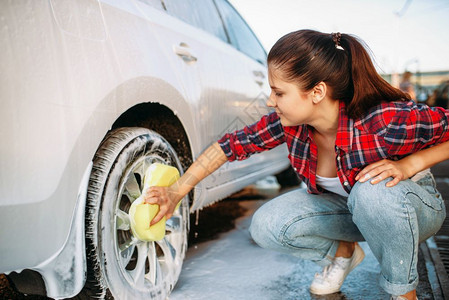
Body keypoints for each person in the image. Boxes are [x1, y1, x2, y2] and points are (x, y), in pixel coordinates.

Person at [144, 30, 449, 299]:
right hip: (352, 211)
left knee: (372, 192)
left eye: (279, 92)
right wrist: (176, 192)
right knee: (267, 225)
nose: (270, 101)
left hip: (411, 210)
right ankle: (342, 253)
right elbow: (229, 146)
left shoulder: (381, 119)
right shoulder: (291, 125)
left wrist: (411, 164)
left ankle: (403, 293)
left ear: (317, 92)